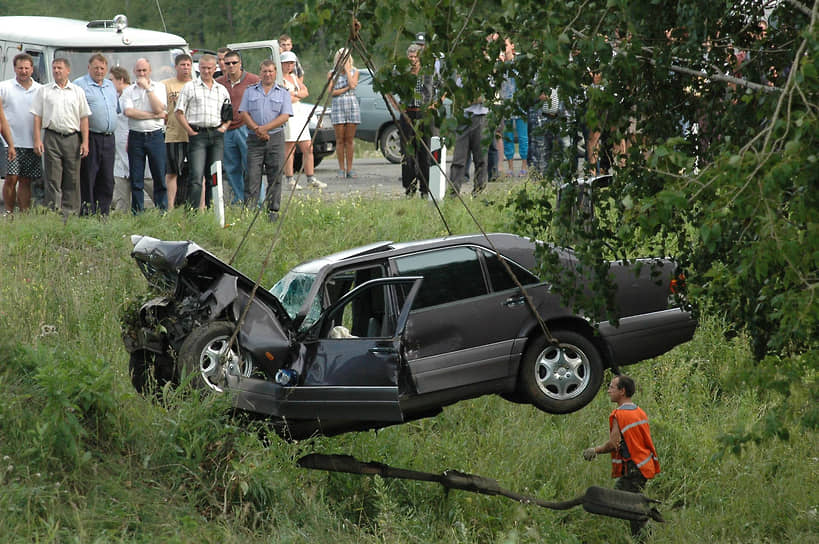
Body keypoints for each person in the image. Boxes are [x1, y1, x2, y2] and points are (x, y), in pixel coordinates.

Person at [583, 375, 660, 537]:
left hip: (634, 468)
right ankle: (643, 532)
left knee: (620, 502)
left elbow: (613, 444)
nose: (609, 390)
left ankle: (646, 526)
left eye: (612, 387)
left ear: (622, 391)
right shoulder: (639, 411)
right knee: (631, 504)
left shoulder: (620, 415)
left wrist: (594, 450)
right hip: (643, 466)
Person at [30, 58, 91, 215]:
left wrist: (85, 142)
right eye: (54, 68)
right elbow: (37, 116)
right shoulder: (44, 91)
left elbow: (84, 118)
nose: (57, 71)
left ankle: (70, 213)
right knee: (52, 177)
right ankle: (52, 212)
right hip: (52, 137)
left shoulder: (77, 91)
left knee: (72, 177)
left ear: (68, 71)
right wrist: (37, 139)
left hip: (72, 137)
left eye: (60, 68)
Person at [239, 59, 292, 221]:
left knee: (275, 176)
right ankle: (250, 211)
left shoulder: (283, 92)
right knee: (252, 176)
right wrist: (257, 129)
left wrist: (265, 129)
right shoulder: (250, 91)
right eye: (264, 71)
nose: (267, 74)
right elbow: (243, 112)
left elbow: (285, 116)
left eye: (270, 71)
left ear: (275, 73)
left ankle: (273, 211)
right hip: (254, 138)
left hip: (275, 137)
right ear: (260, 73)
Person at [175, 54, 231, 210]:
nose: (206, 71)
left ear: (215, 69)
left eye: (209, 68)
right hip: (197, 135)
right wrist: (190, 131)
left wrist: (223, 128)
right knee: (196, 177)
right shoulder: (190, 87)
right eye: (203, 68)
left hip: (216, 135)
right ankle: (192, 213)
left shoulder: (222, 90)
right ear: (198, 68)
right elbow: (179, 112)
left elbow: (229, 114)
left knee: (214, 176)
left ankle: (212, 210)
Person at [389, 42, 439, 197]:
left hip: (424, 115)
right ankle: (409, 188)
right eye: (410, 56)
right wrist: (397, 106)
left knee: (424, 152)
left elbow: (442, 88)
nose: (412, 60)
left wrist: (435, 104)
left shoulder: (429, 72)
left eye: (415, 57)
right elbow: (388, 89)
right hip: (407, 114)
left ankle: (425, 189)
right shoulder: (401, 73)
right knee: (408, 153)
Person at [121, 58, 168, 213]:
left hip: (155, 136)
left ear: (150, 71)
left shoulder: (159, 87)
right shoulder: (128, 91)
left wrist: (148, 89)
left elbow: (159, 107)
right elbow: (129, 112)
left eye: (144, 70)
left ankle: (162, 211)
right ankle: (138, 213)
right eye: (139, 71)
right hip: (136, 137)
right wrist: (154, 115)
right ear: (134, 72)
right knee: (136, 178)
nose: (141, 74)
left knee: (159, 176)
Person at [74, 53, 118, 215]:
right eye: (96, 68)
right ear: (89, 68)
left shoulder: (109, 85)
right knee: (88, 177)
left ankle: (103, 214)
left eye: (102, 68)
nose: (99, 71)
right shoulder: (80, 85)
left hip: (109, 138)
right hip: (90, 137)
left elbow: (116, 109)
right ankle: (87, 213)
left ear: (106, 69)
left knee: (107, 179)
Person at [216, 50, 259, 204]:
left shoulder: (253, 80)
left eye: (234, 62)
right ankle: (240, 200)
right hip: (227, 129)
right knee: (232, 167)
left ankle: (257, 201)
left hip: (246, 128)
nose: (231, 66)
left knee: (251, 166)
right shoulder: (219, 82)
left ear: (240, 63)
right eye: (227, 63)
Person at [0, 53, 40, 213]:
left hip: (31, 142)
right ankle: (9, 212)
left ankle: (24, 213)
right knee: (11, 178)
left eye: (26, 68)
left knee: (26, 180)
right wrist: (9, 143)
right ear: (14, 69)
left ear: (32, 69)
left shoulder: (40, 89)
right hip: (10, 143)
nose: (23, 71)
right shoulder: (4, 87)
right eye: (20, 68)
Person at [281, 51, 325, 189]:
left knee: (308, 147)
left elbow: (305, 92)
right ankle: (289, 179)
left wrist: (294, 94)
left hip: (299, 114)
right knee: (290, 148)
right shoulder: (279, 80)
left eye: (292, 63)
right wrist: (296, 95)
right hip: (288, 115)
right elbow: (285, 97)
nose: (289, 66)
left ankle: (310, 177)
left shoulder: (294, 78)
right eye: (287, 63)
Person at [162, 53, 193, 208]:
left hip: (194, 135)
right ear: (176, 67)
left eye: (188, 65)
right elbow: (159, 106)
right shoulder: (166, 85)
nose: (185, 68)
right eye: (182, 65)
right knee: (172, 171)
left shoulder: (195, 84)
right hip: (174, 135)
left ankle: (197, 207)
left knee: (196, 173)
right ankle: (171, 207)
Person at [448, 77, 488, 196]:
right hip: (463, 118)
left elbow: (485, 97)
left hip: (480, 117)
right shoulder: (462, 76)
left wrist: (467, 100)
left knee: (480, 157)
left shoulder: (486, 75)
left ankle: (479, 191)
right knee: (459, 158)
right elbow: (456, 96)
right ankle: (453, 192)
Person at [327, 48, 360, 179]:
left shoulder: (354, 71)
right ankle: (341, 168)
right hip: (338, 106)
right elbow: (331, 92)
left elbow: (353, 85)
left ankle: (350, 168)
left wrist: (346, 70)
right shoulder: (331, 73)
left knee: (349, 140)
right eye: (341, 57)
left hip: (351, 105)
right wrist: (345, 89)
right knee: (340, 140)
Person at [499, 37, 529, 177]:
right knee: (508, 136)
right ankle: (510, 167)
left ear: (512, 46)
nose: (504, 49)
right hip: (506, 105)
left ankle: (524, 165)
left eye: (505, 46)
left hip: (520, 104)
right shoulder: (500, 64)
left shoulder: (519, 63)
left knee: (523, 136)